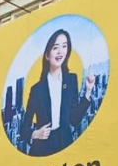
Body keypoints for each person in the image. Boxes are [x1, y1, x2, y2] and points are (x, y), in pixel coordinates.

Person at [19, 29, 96, 157]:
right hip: (42, 147)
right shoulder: (37, 89)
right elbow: (24, 127)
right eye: (55, 47)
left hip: (65, 143)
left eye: (64, 46)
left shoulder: (71, 80)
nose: (60, 51)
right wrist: (34, 134)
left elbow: (74, 119)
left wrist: (88, 90)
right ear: (47, 55)